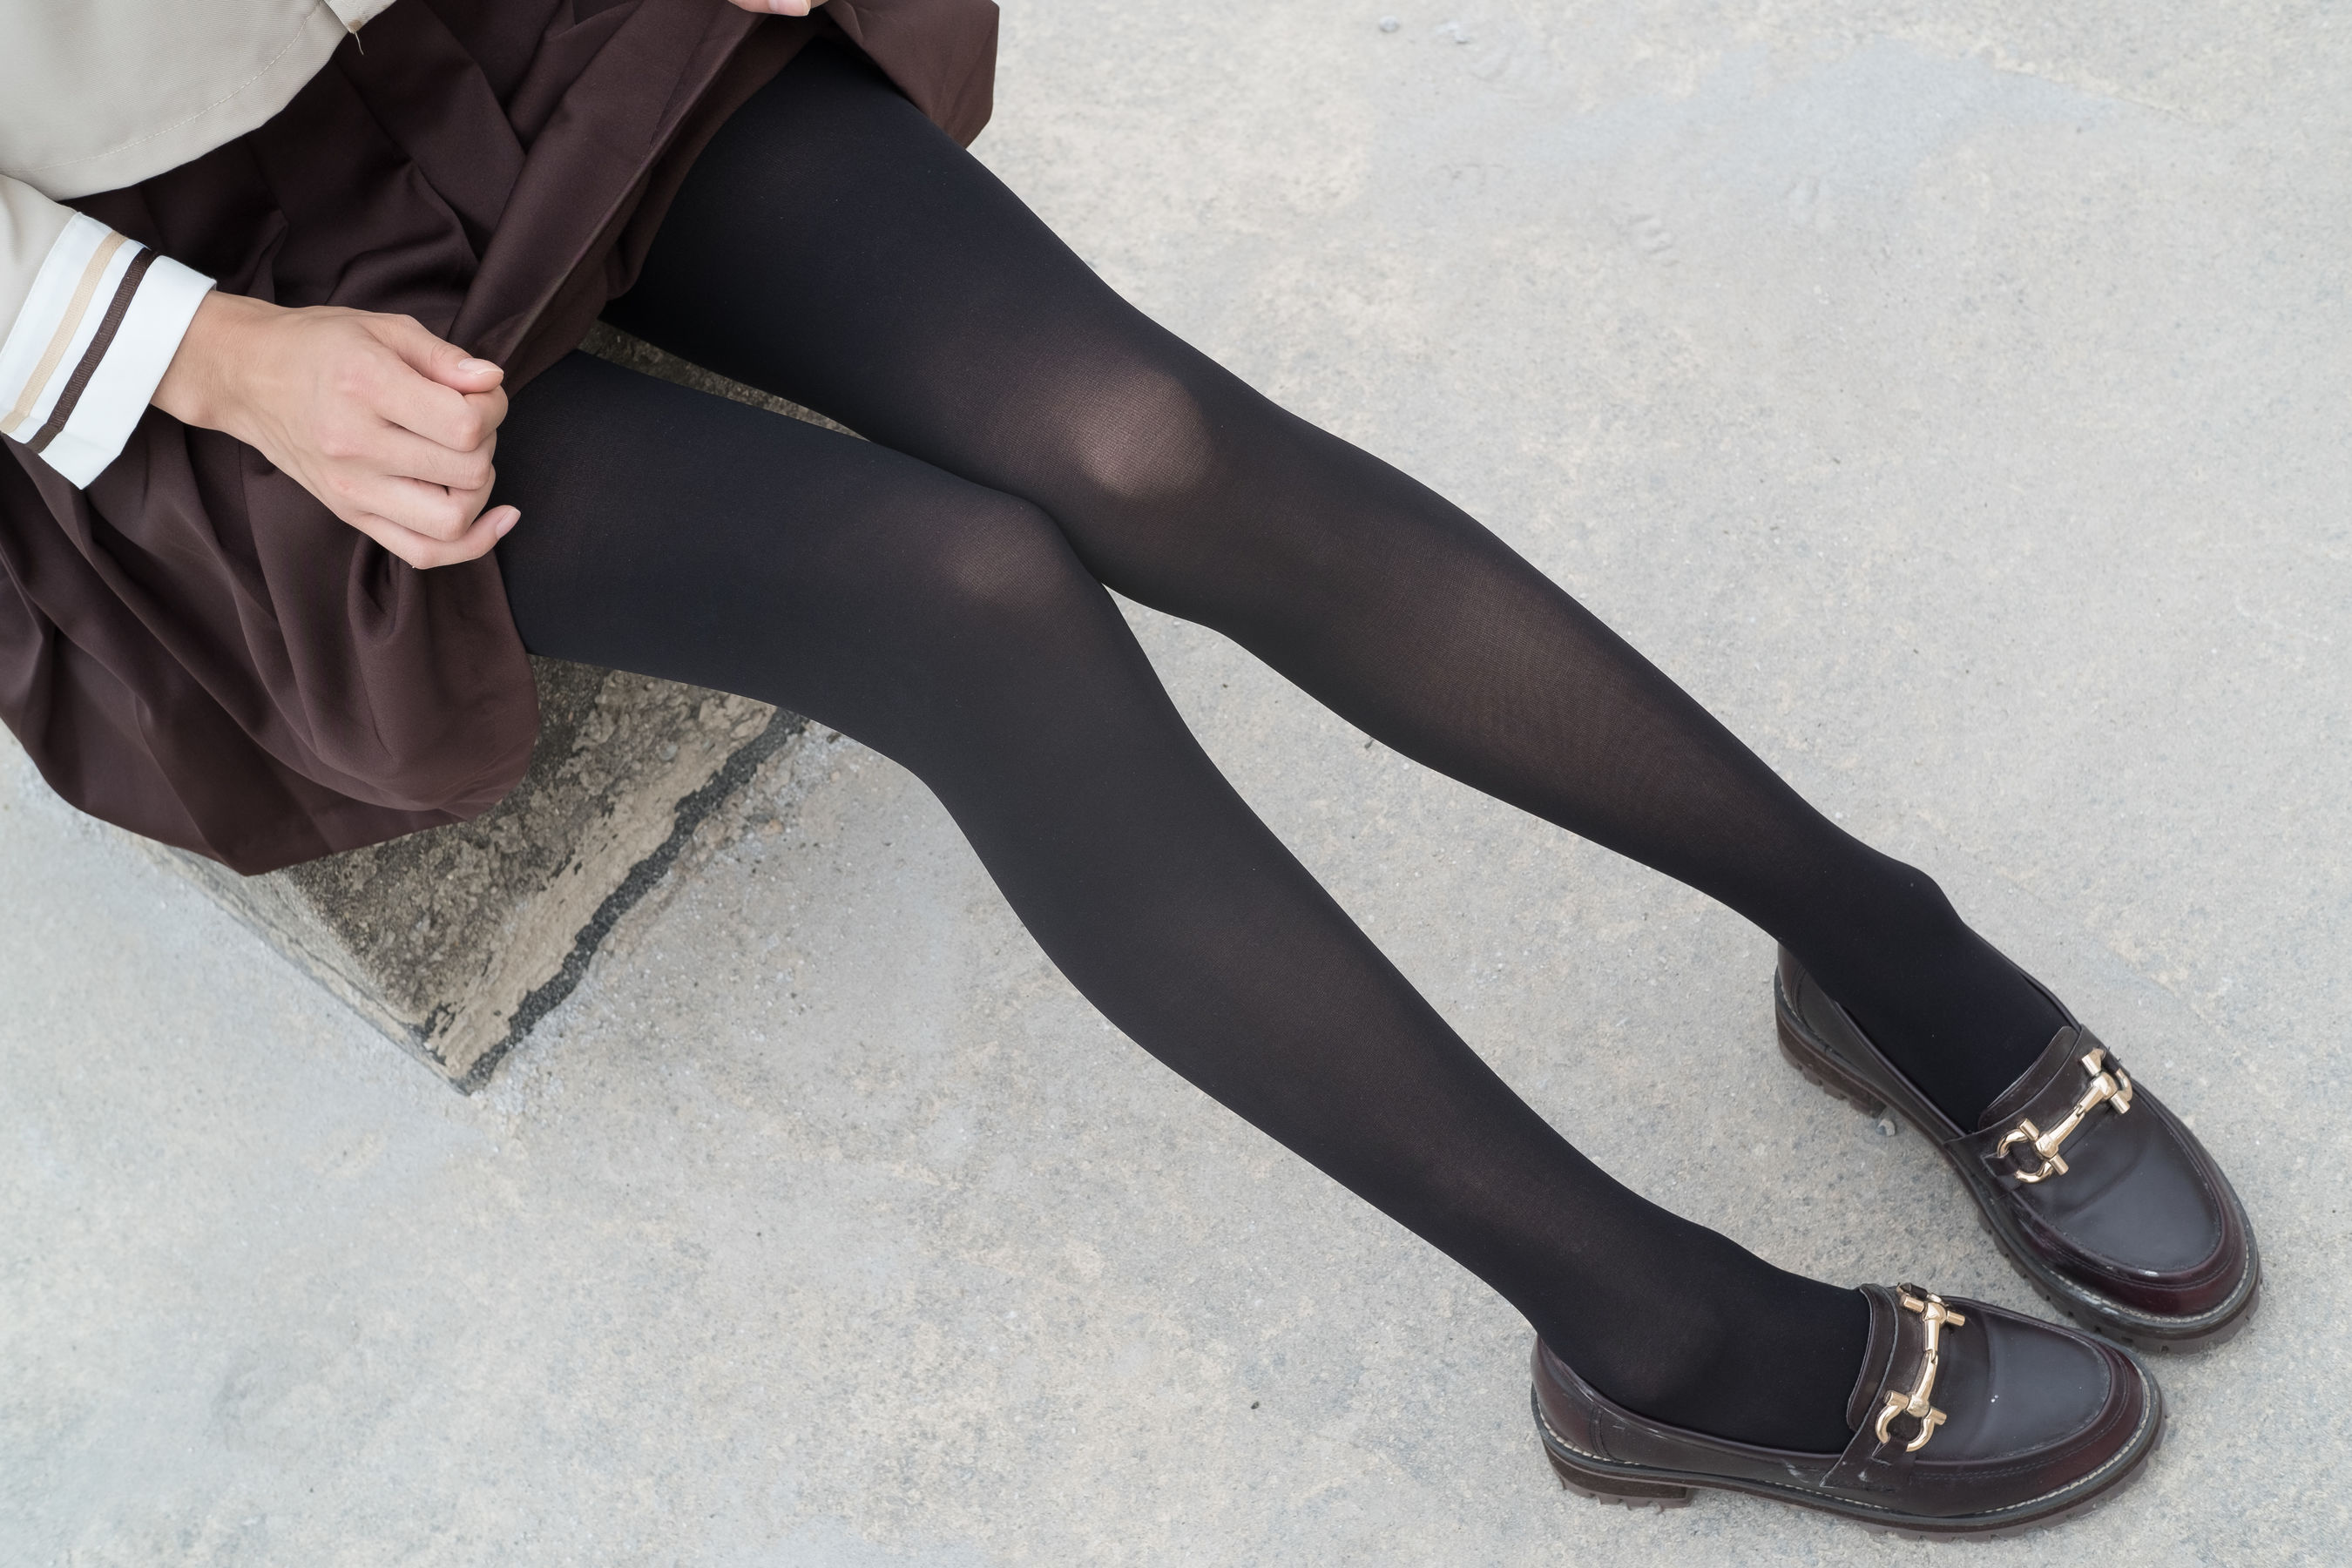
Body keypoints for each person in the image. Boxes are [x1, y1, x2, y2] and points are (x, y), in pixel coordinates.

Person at [1, 0, 2254, 1536]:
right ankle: (1652, 1336)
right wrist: (208, 359)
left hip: (519, 31)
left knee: (1145, 437)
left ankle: (1878, 947)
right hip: (180, 279)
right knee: (955, 599)